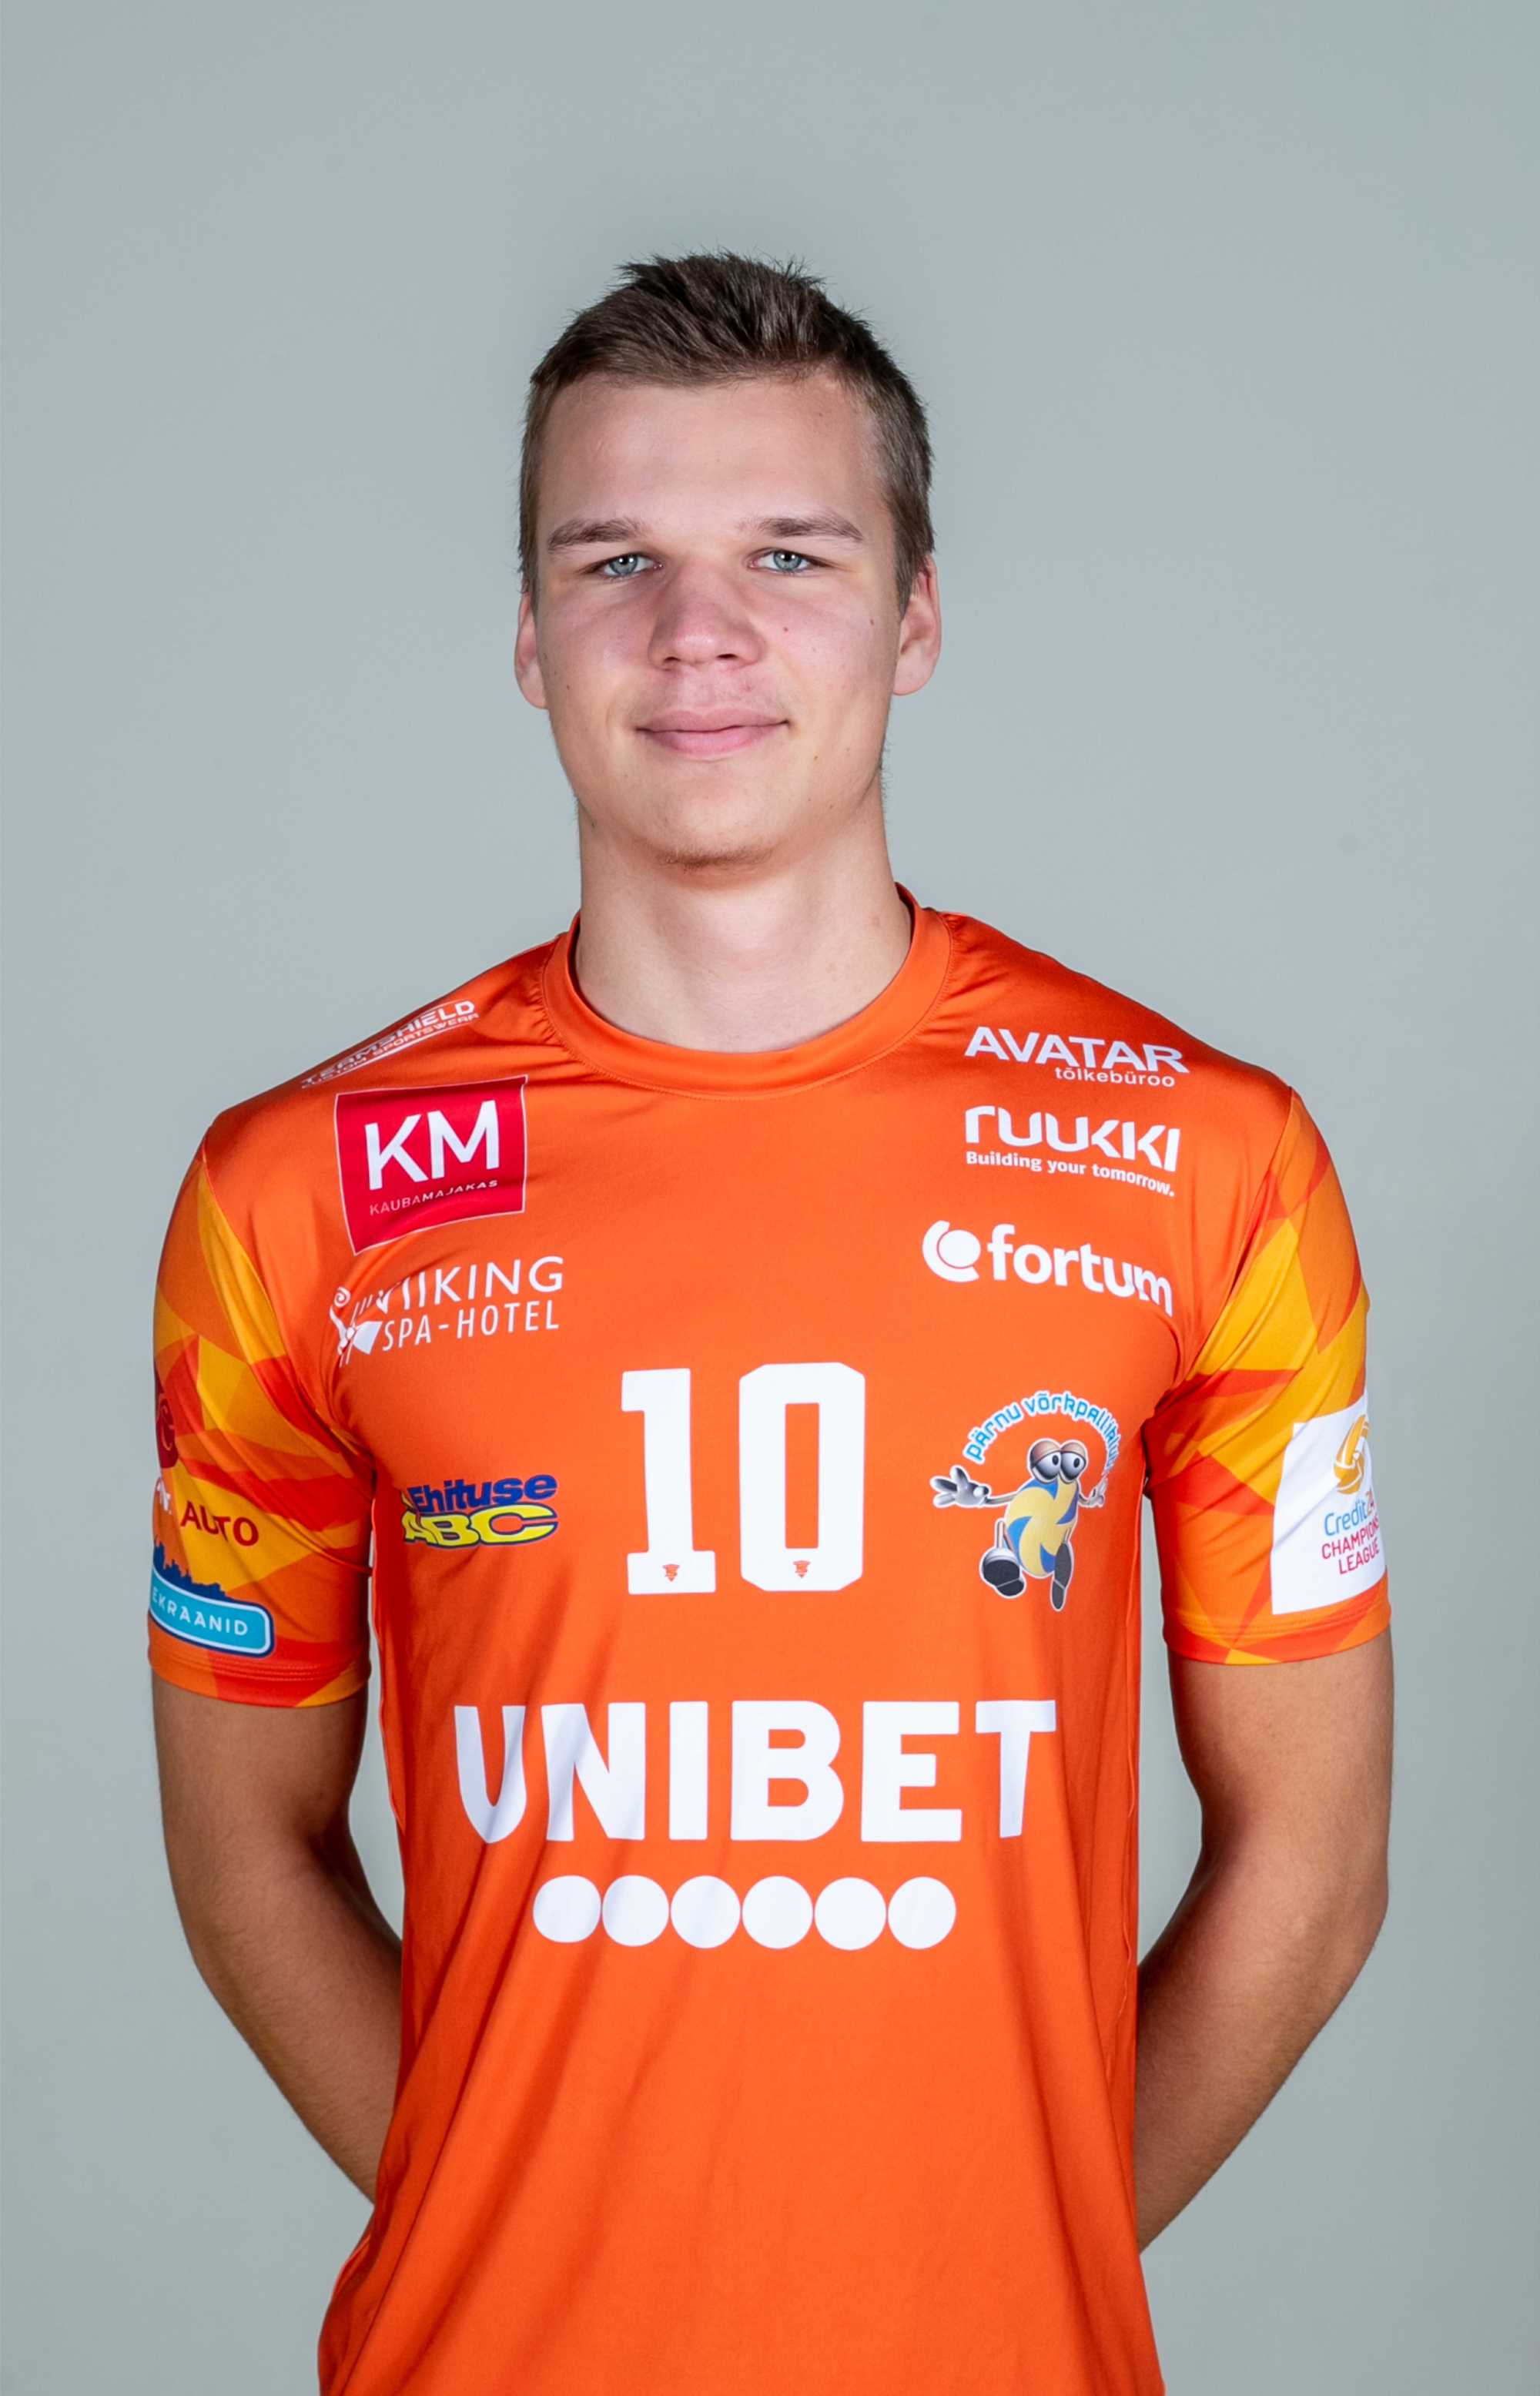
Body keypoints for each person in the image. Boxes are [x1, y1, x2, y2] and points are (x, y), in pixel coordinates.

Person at [147, 250, 1393, 2396]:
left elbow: (1318, 1855)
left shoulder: (1212, 1163)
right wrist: (517, 2229)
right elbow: (244, 1842)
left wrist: (994, 2260)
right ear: (529, 637)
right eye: (613, 558)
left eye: (791, 556)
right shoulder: (296, 1196)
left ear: (915, 619)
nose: (696, 632)